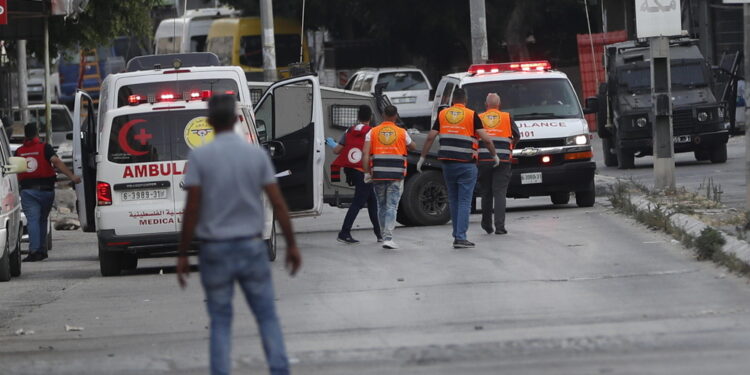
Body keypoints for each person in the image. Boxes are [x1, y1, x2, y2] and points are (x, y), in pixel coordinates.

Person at [176, 95, 302, 375]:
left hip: (214, 250)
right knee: (266, 315)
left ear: (209, 123)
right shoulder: (255, 154)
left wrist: (183, 253)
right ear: (236, 120)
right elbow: (278, 203)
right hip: (250, 247)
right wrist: (292, 245)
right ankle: (279, 370)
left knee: (220, 320)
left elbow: (193, 207)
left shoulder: (200, 157)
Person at [416, 88, 499, 249]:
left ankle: (457, 235)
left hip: (447, 163)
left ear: (452, 101)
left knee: (453, 199)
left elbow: (431, 137)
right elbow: (486, 139)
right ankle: (460, 237)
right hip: (466, 163)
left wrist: (422, 158)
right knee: (464, 201)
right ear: (465, 100)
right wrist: (494, 155)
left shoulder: (443, 114)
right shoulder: (471, 115)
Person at [16, 123, 81, 262]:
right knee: (42, 219)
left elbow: (15, 172)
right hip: (46, 191)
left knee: (33, 220)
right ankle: (42, 250)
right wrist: (72, 177)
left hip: (28, 191)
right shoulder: (45, 148)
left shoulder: (19, 152)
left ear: (25, 135)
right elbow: (56, 161)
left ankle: (35, 251)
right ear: (37, 133)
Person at [362, 105, 416, 250]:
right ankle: (388, 238)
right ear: (395, 116)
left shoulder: (372, 132)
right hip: (396, 174)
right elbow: (413, 147)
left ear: (383, 115)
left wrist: (367, 172)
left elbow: (365, 154)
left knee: (381, 205)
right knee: (392, 205)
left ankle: (381, 235)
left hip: (378, 174)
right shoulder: (402, 132)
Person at [327, 105, 382, 244]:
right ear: (370, 117)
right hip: (365, 171)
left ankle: (379, 233)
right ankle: (344, 232)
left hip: (351, 170)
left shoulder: (349, 131)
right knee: (358, 202)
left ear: (358, 117)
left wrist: (332, 144)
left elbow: (337, 151)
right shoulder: (373, 132)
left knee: (372, 200)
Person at [476, 93, 520, 235]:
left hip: (484, 159)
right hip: (503, 160)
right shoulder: (507, 117)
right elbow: (517, 135)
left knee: (486, 192)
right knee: (500, 193)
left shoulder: (479, 117)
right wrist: (511, 146)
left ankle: (487, 224)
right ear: (499, 105)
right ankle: (500, 227)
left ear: (486, 105)